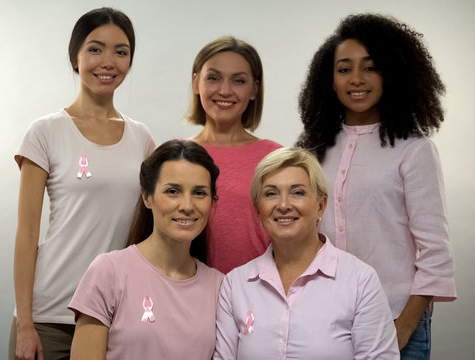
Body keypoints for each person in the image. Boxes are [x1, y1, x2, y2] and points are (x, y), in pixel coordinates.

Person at [296, 13, 457, 358]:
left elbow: (435, 253)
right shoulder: (311, 151)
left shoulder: (414, 150)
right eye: (344, 69)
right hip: (323, 318)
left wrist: (404, 326)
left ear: (392, 74)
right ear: (329, 79)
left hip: (394, 317)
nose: (356, 79)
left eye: (370, 67)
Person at [9, 8, 155, 360]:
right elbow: (27, 234)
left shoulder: (143, 140)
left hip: (115, 315)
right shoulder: (45, 132)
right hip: (51, 316)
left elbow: (149, 234)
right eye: (95, 48)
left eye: (121, 51)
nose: (108, 61)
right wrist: (26, 323)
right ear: (76, 56)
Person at [214, 147, 399, 359]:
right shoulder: (235, 285)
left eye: (298, 192)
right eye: (271, 193)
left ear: (321, 205)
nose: (283, 205)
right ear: (258, 210)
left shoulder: (360, 281)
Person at [69, 140, 224, 360]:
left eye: (199, 193)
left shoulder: (220, 287)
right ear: (146, 197)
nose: (187, 206)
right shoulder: (108, 272)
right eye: (173, 191)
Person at [187, 36, 282, 274]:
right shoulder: (176, 157)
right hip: (189, 295)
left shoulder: (276, 158)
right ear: (196, 83)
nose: (225, 90)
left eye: (238, 80)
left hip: (261, 295)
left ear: (254, 90)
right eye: (213, 78)